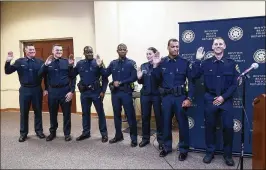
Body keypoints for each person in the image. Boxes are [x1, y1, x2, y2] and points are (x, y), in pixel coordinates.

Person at [192, 37, 238, 166]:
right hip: (210, 99)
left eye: (220, 44)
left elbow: (235, 84)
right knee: (210, 127)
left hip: (226, 99)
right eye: (215, 44)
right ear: (212, 47)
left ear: (224, 46)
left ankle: (228, 155)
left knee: (228, 127)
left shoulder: (231, 63)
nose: (218, 46)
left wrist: (223, 97)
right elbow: (194, 75)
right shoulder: (206, 63)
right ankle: (209, 152)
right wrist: (197, 60)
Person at [152, 38, 195, 160]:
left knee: (182, 124)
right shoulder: (162, 62)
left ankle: (183, 149)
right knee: (165, 123)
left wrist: (189, 98)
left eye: (177, 47)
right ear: (168, 47)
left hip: (180, 97)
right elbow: (155, 80)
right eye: (173, 47)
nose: (175, 49)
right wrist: (155, 65)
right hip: (166, 98)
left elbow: (191, 82)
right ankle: (166, 147)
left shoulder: (184, 62)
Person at [97, 43, 138, 147]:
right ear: (117, 51)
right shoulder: (113, 63)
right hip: (115, 93)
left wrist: (121, 82)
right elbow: (105, 73)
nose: (122, 51)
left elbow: (134, 77)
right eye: (120, 49)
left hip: (126, 93)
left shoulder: (131, 63)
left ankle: (134, 139)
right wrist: (100, 65)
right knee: (116, 116)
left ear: (127, 51)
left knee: (130, 116)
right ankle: (118, 135)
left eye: (124, 49)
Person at [4, 44, 46, 142]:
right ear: (25, 51)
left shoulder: (40, 62)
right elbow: (7, 71)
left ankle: (39, 131)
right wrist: (8, 61)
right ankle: (23, 133)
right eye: (30, 50)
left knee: (38, 111)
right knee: (24, 112)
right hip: (24, 90)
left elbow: (46, 75)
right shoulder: (19, 62)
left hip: (37, 89)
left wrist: (46, 88)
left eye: (33, 49)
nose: (32, 51)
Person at [38, 44, 76, 142]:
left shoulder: (67, 62)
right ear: (52, 51)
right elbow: (40, 74)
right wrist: (45, 64)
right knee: (52, 114)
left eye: (60, 50)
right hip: (53, 92)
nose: (59, 52)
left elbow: (73, 77)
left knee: (67, 114)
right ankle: (52, 133)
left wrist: (72, 91)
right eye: (57, 50)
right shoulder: (48, 62)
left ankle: (67, 134)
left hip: (65, 91)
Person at [71, 46, 108, 143]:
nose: (89, 54)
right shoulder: (80, 64)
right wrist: (70, 66)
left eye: (91, 52)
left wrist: (103, 91)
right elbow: (71, 75)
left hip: (96, 92)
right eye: (87, 52)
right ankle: (86, 133)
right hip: (84, 93)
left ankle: (104, 134)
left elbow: (105, 77)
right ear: (84, 53)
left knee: (100, 113)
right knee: (85, 113)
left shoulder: (98, 62)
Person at [137, 47, 163, 150]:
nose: (148, 56)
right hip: (145, 95)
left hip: (157, 95)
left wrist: (156, 65)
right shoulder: (143, 65)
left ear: (154, 54)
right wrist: (139, 78)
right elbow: (141, 81)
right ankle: (145, 138)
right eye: (147, 54)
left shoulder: (160, 65)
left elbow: (160, 80)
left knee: (159, 118)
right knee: (145, 117)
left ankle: (160, 140)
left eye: (150, 54)